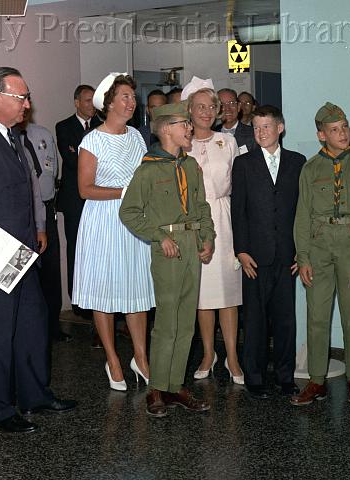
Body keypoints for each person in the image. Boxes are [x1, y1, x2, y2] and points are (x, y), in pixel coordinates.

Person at [0, 66, 75, 434]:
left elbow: (24, 191)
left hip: (19, 254)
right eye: (21, 97)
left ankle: (34, 394)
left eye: (27, 97)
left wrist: (37, 229)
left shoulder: (10, 136)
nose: (28, 104)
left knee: (32, 325)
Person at [119, 101, 215, 417]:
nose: (190, 127)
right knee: (167, 322)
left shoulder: (190, 166)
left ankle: (175, 385)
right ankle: (157, 388)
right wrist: (159, 236)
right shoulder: (148, 169)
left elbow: (202, 206)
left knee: (186, 320)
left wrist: (208, 238)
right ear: (165, 129)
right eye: (184, 123)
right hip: (169, 248)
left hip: (191, 244)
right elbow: (128, 211)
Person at [72, 73, 155, 391]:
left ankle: (141, 358)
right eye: (125, 96)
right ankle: (113, 360)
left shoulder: (136, 136)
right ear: (108, 103)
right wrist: (125, 192)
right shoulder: (91, 140)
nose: (132, 102)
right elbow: (84, 189)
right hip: (104, 222)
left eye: (133, 97)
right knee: (104, 293)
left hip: (134, 222)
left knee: (137, 291)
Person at [292, 102, 350, 407]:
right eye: (334, 130)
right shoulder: (310, 169)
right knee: (316, 316)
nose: (342, 133)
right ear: (321, 135)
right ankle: (317, 380)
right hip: (319, 247)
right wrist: (303, 258)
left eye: (344, 127)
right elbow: (302, 217)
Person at [231, 105, 306, 399]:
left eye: (266, 127)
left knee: (286, 319)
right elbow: (238, 211)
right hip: (255, 256)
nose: (261, 133)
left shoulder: (297, 162)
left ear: (280, 128)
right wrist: (242, 250)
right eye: (256, 128)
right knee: (255, 319)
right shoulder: (244, 164)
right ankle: (255, 377)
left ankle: (285, 376)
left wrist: (303, 251)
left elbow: (303, 210)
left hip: (288, 255)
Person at [181, 77, 244, 384]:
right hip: (194, 222)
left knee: (228, 293)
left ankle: (232, 356)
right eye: (200, 106)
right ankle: (208, 353)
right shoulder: (181, 143)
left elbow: (240, 184)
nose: (206, 112)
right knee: (202, 295)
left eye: (211, 107)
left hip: (224, 218)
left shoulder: (228, 141)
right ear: (189, 110)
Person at [18, 107, 69, 342]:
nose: (24, 108)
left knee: (50, 272)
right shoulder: (7, 140)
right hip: (21, 214)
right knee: (27, 273)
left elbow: (53, 170)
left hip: (46, 210)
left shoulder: (43, 134)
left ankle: (53, 327)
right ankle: (30, 332)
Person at [55, 84, 101, 315]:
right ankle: (78, 302)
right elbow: (73, 161)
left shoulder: (103, 126)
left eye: (94, 101)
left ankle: (98, 299)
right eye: (86, 101)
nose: (91, 105)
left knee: (98, 250)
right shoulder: (64, 127)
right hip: (74, 201)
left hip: (99, 199)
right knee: (75, 249)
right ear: (76, 102)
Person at [214, 88, 255, 154]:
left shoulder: (253, 134)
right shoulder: (211, 135)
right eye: (222, 104)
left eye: (231, 103)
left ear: (238, 107)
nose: (227, 108)